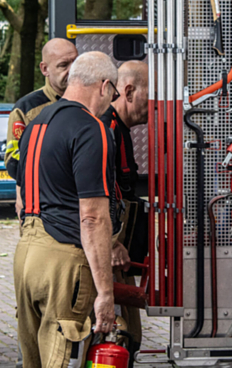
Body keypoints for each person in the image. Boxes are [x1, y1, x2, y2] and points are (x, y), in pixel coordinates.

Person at [13, 51, 120, 368]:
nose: (110, 102)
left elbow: (22, 194)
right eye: (112, 92)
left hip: (26, 257)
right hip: (63, 262)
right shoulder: (91, 129)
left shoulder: (36, 125)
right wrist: (105, 293)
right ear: (103, 86)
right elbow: (92, 217)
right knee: (60, 359)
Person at [100, 61, 149, 365]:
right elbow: (100, 195)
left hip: (120, 252)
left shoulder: (120, 129)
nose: (155, 104)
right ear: (128, 91)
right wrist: (112, 242)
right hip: (108, 251)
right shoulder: (107, 129)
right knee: (119, 335)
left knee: (130, 335)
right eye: (151, 95)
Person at [4, 38, 78, 212]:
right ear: (45, 69)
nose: (72, 71)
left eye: (76, 62)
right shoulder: (27, 109)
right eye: (63, 65)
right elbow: (13, 160)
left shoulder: (94, 102)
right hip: (44, 208)